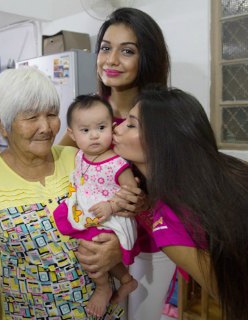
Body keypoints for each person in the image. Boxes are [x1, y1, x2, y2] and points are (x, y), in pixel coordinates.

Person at [0, 67, 124, 319]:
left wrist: (117, 247)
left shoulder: (80, 160)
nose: (46, 127)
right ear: (1, 124)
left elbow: (125, 208)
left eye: (51, 114)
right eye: (30, 117)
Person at [61, 7, 176, 320]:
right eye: (105, 48)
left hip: (152, 251)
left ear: (147, 57)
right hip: (95, 249)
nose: (110, 60)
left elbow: (181, 193)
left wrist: (135, 215)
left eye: (127, 51)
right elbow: (62, 169)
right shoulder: (89, 115)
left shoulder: (162, 117)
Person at [113, 86, 248, 320]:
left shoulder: (169, 225)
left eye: (131, 124)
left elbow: (233, 295)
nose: (117, 127)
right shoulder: (226, 169)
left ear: (162, 141)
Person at [53, 94, 138, 317]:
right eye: (85, 130)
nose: (95, 136)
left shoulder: (117, 163)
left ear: (112, 127)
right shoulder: (79, 155)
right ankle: (126, 280)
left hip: (113, 218)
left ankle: (103, 287)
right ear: (72, 134)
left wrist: (110, 206)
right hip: (90, 211)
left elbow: (132, 195)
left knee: (88, 250)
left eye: (101, 127)